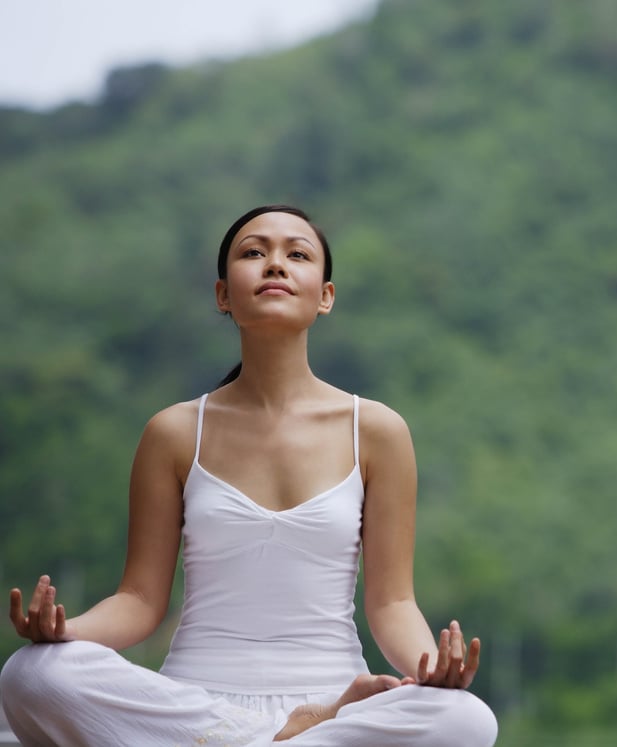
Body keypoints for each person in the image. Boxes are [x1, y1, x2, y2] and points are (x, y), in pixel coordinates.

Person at [0, 205, 498, 746]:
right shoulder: (173, 432)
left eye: (297, 254)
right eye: (254, 252)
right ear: (222, 294)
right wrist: (67, 634)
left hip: (338, 700)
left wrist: (431, 671)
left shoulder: (375, 431)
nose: (275, 264)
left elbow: (392, 604)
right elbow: (140, 600)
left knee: (465, 719)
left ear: (325, 295)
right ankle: (278, 737)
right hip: (196, 706)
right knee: (32, 673)